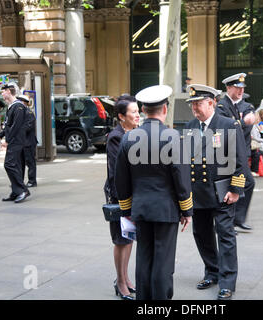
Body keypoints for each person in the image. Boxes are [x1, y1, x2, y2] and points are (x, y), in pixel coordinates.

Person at [115, 85, 193, 300]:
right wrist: (186, 210)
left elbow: (120, 179)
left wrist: (127, 208)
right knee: (163, 262)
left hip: (140, 208)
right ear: (165, 109)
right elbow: (181, 178)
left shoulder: (128, 138)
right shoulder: (174, 137)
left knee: (144, 258)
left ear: (142, 110)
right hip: (166, 209)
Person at [184, 84, 247, 300]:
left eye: (198, 103)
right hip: (198, 192)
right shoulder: (190, 125)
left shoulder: (228, 124)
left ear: (211, 103)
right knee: (201, 234)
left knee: (225, 235)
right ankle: (212, 271)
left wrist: (236, 189)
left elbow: (240, 160)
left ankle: (227, 281)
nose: (194, 107)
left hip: (222, 192)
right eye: (192, 103)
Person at [104, 94, 140, 300]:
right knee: (120, 240)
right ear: (121, 116)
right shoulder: (116, 137)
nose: (137, 115)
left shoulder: (135, 132)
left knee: (129, 238)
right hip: (121, 196)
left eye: (137, 111)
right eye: (133, 112)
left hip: (134, 194)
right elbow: (118, 172)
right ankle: (120, 282)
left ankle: (126, 278)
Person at [216, 73, 255, 231]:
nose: (240, 91)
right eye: (237, 88)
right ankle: (227, 222)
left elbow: (246, 127)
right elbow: (225, 128)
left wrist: (240, 124)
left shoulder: (246, 105)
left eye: (242, 88)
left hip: (241, 152)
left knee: (247, 183)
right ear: (228, 87)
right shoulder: (221, 106)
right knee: (230, 186)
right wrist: (241, 122)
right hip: (226, 153)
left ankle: (237, 219)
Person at [0, 82, 30, 203]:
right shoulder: (12, 106)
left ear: (9, 91)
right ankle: (16, 191)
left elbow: (16, 127)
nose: (1, 93)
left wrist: (7, 141)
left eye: (3, 91)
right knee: (14, 166)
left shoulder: (18, 107)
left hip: (16, 141)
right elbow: (9, 126)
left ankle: (22, 190)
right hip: (14, 140)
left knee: (9, 165)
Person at [18, 95, 38, 188]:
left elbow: (28, 127)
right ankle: (20, 182)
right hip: (22, 142)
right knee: (21, 163)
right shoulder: (21, 112)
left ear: (24, 103)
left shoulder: (29, 113)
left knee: (30, 162)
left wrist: (16, 130)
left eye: (20, 102)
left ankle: (32, 181)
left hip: (28, 142)